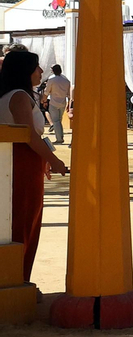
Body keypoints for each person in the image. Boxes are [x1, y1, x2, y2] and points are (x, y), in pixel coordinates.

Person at [0, 50, 69, 285]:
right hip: (22, 163)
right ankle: (18, 280)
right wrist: (53, 160)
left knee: (23, 220)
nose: (40, 71)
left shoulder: (15, 94)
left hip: (23, 161)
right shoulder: (19, 96)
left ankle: (19, 279)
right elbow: (29, 136)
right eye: (36, 67)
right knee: (24, 221)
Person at [41, 64, 70, 146]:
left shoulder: (52, 79)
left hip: (53, 102)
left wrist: (44, 100)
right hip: (63, 102)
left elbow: (47, 91)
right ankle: (60, 137)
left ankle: (59, 139)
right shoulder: (65, 79)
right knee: (58, 120)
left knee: (56, 121)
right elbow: (68, 93)